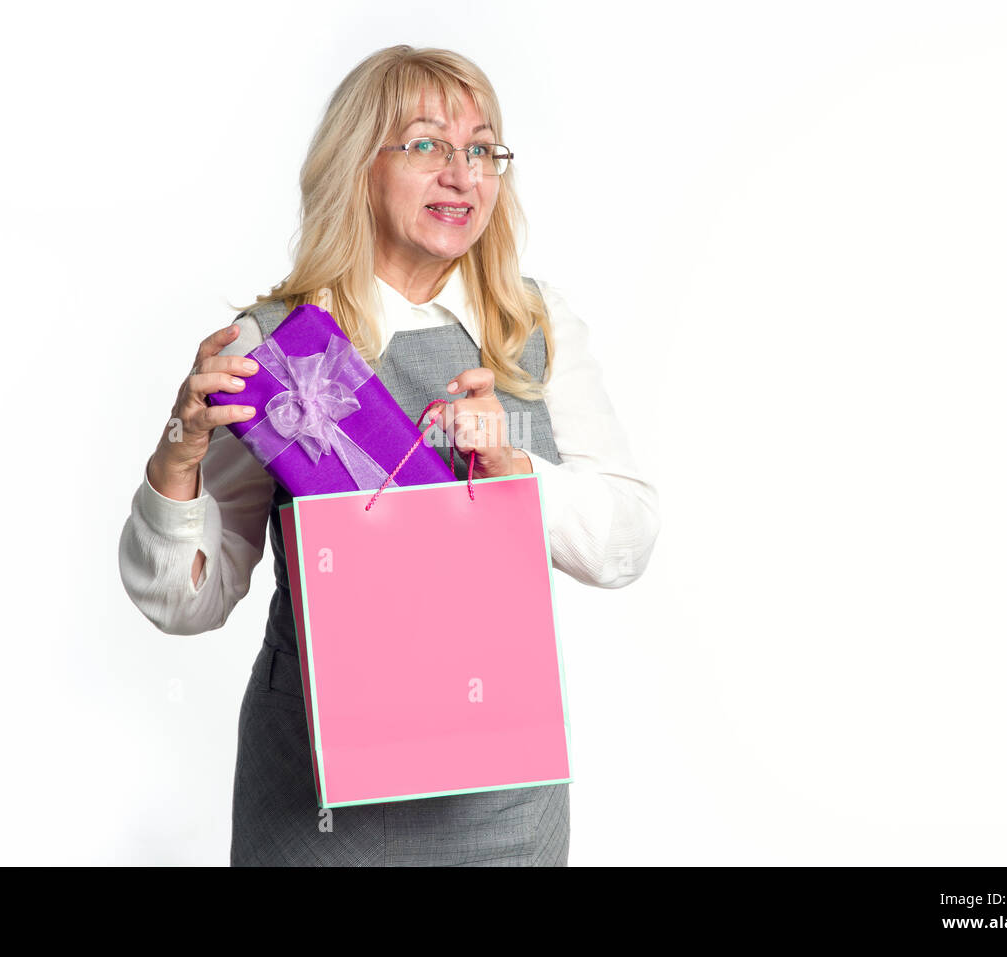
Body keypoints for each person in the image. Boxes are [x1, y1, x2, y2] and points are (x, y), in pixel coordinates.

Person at [118, 44, 660, 866]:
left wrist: (515, 465)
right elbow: (187, 602)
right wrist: (181, 447)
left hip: (501, 791)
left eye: (481, 149)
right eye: (427, 145)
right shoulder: (277, 347)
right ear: (359, 165)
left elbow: (628, 539)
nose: (463, 174)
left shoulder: (533, 325)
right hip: (315, 794)